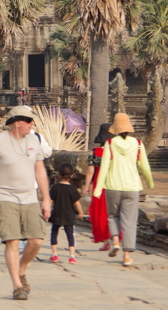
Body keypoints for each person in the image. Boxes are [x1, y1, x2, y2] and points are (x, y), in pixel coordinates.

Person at [0, 106, 51, 301]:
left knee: (36, 239)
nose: (33, 125)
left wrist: (45, 199)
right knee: (12, 241)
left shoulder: (33, 140)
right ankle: (17, 285)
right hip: (5, 196)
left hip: (30, 196)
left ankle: (21, 269)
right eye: (30, 121)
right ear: (17, 122)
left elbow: (40, 171)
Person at [93, 113, 154, 267]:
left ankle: (115, 241)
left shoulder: (110, 143)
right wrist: (149, 181)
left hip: (113, 185)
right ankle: (126, 256)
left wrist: (98, 188)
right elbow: (144, 166)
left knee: (112, 215)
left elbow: (104, 167)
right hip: (132, 186)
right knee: (129, 221)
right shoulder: (138, 144)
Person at [84, 123, 114, 250]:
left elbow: (91, 171)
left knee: (101, 212)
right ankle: (118, 238)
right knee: (114, 211)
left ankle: (106, 240)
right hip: (113, 182)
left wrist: (86, 186)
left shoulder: (95, 152)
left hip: (99, 184)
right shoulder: (115, 152)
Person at [49, 163, 84, 264]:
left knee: (54, 233)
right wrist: (81, 212)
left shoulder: (55, 188)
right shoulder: (72, 189)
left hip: (57, 214)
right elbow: (76, 203)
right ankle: (72, 256)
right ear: (72, 176)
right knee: (70, 235)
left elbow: (51, 201)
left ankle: (55, 255)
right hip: (69, 215)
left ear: (59, 174)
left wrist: (45, 210)